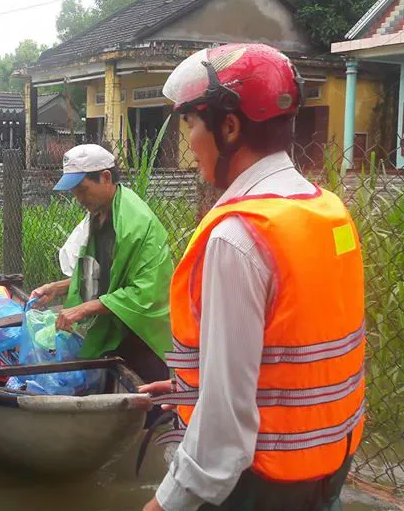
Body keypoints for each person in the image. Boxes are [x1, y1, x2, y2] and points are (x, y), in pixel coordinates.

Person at [140, 43, 366, 511]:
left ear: (229, 127)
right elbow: (291, 353)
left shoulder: (238, 237)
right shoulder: (327, 211)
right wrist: (197, 386)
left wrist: (164, 504)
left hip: (257, 487)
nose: (189, 143)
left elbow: (224, 430)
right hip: (326, 469)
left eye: (191, 124)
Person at [31, 144, 173, 388]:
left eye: (82, 189)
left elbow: (145, 294)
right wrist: (58, 287)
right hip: (116, 324)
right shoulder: (100, 214)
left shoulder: (135, 225)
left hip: (142, 330)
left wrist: (84, 309)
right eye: (74, 191)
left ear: (106, 177)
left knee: (148, 396)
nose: (78, 198)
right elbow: (102, 273)